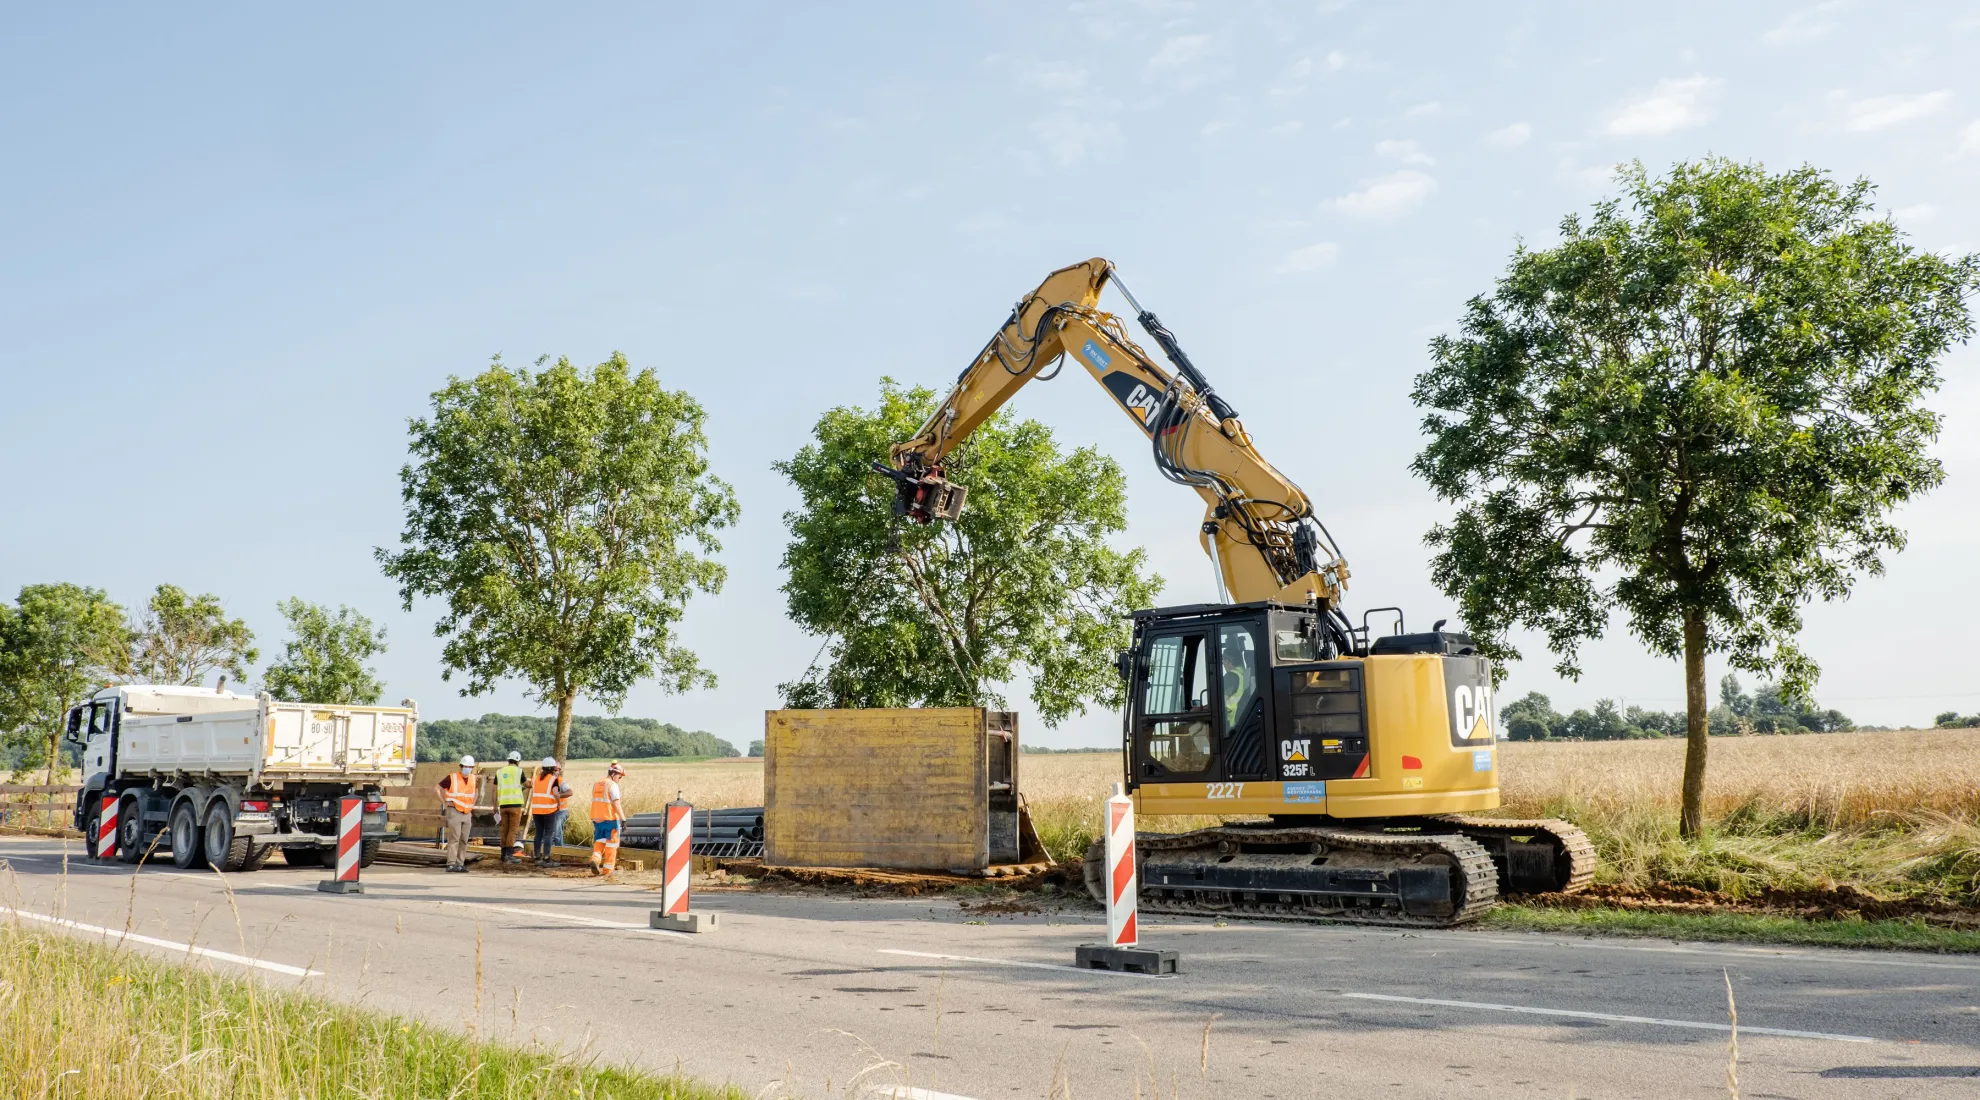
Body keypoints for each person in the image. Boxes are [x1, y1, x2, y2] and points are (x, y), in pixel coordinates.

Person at [529, 756, 573, 865]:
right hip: (548, 811)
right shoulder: (553, 780)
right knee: (548, 835)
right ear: (552, 768)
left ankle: (537, 857)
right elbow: (556, 794)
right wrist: (558, 804)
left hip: (536, 811)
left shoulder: (536, 779)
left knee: (538, 834)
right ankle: (547, 859)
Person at [437, 754, 477, 872]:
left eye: (470, 767)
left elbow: (476, 791)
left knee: (464, 839)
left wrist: (473, 804)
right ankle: (451, 864)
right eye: (466, 766)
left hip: (467, 812)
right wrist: (444, 802)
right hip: (454, 811)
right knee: (454, 838)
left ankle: (460, 863)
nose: (468, 769)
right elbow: (437, 788)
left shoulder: (473, 778)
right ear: (461, 766)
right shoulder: (452, 778)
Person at [588, 761, 627, 875]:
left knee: (600, 841)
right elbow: (616, 803)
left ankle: (595, 859)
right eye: (620, 776)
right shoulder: (612, 785)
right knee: (612, 845)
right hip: (610, 819)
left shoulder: (597, 784)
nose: (620, 779)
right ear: (614, 773)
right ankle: (607, 870)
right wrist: (623, 819)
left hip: (597, 819)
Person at [494, 750, 528, 863]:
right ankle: (509, 855)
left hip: (503, 805)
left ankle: (503, 855)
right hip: (515, 805)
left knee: (505, 829)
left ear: (508, 760)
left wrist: (494, 806)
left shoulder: (499, 772)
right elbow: (526, 784)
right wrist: (532, 783)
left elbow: (494, 789)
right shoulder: (519, 771)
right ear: (518, 761)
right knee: (513, 830)